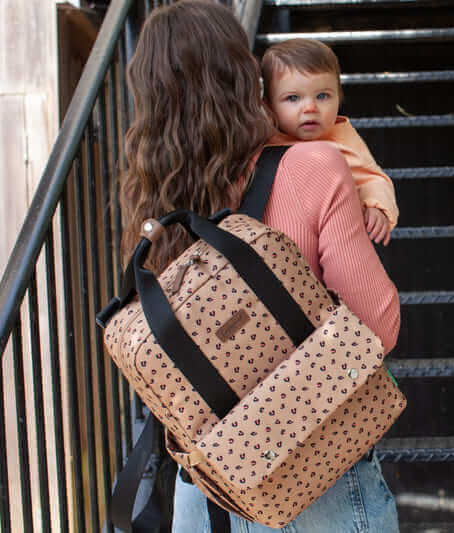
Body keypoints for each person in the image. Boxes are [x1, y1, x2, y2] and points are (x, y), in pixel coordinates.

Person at [119, 2, 401, 532]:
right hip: (319, 472)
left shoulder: (156, 199)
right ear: (246, 76)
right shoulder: (312, 163)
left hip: (207, 483)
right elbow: (375, 328)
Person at [261, 38, 399, 246]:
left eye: (323, 96)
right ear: (268, 105)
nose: (310, 108)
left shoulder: (341, 138)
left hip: (332, 241)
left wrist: (376, 206)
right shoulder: (262, 140)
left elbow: (372, 179)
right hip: (276, 244)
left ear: (339, 98)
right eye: (293, 98)